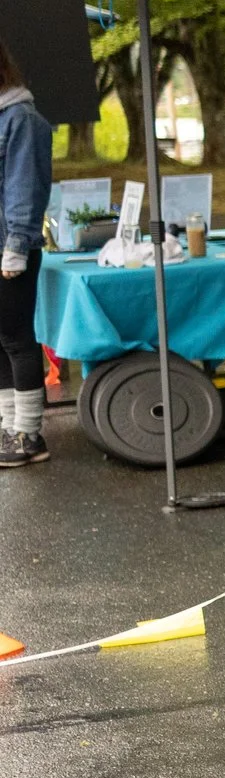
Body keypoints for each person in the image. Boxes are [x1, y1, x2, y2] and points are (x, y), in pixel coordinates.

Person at [0, 37, 53, 470]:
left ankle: (30, 434)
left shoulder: (22, 119)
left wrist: (16, 249)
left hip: (9, 250)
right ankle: (8, 426)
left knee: (16, 339)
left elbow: (24, 189)